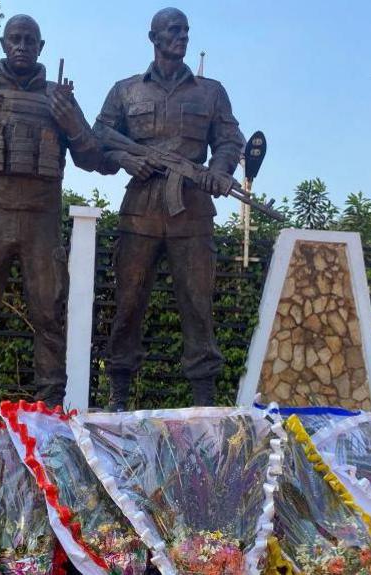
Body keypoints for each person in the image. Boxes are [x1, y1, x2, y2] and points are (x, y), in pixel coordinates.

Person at [0, 14, 104, 430]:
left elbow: (94, 159)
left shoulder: (58, 99)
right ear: (4, 43)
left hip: (40, 221)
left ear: (41, 47)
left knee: (48, 312)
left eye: (30, 40)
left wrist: (74, 124)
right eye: (15, 39)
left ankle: (50, 402)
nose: (22, 46)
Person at [93, 7, 245, 410]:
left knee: (198, 305)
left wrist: (219, 170)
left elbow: (230, 140)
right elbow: (97, 141)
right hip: (139, 209)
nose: (181, 37)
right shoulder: (125, 91)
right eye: (173, 30)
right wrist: (126, 160)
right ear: (154, 37)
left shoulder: (211, 91)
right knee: (128, 302)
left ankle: (204, 400)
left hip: (192, 211)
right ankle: (119, 395)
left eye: (185, 31)